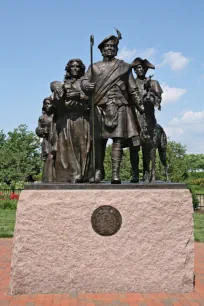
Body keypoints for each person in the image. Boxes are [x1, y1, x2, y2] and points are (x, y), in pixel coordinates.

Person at [81, 30, 144, 184]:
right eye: (106, 47)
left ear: (116, 49)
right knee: (99, 141)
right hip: (100, 107)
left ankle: (115, 173)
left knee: (118, 141)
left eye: (112, 46)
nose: (109, 49)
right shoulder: (94, 67)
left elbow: (133, 89)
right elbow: (83, 81)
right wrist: (86, 85)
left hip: (120, 106)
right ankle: (98, 171)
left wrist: (141, 106)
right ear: (101, 50)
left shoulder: (124, 67)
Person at [51, 59, 92, 183]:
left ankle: (83, 174)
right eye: (73, 66)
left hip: (81, 118)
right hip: (66, 120)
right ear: (69, 69)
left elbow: (91, 100)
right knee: (65, 148)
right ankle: (69, 175)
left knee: (83, 146)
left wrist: (78, 96)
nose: (75, 69)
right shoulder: (64, 83)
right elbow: (55, 94)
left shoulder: (84, 83)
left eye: (78, 66)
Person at [129, 57, 163, 182]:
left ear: (147, 69)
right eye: (138, 68)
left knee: (148, 147)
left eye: (143, 68)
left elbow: (158, 101)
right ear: (134, 70)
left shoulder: (154, 83)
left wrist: (150, 89)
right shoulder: (131, 83)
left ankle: (147, 172)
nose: (141, 70)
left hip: (148, 118)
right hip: (133, 118)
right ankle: (135, 174)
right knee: (134, 146)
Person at [36, 97, 57, 182]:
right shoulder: (42, 118)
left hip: (56, 139)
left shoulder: (56, 116)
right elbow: (38, 129)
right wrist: (43, 130)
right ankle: (48, 179)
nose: (47, 105)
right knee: (49, 158)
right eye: (46, 104)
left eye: (49, 103)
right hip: (47, 141)